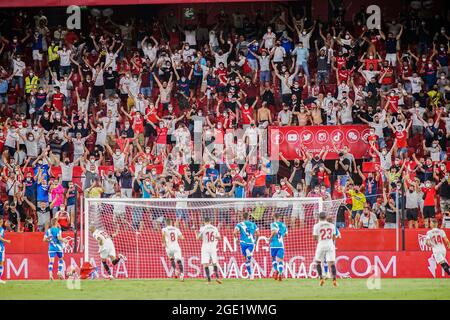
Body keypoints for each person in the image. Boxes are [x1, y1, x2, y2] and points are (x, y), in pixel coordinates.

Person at [313, 211, 337, 287]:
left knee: (318, 262)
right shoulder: (331, 225)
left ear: (319, 218)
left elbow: (314, 238)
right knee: (332, 263)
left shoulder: (316, 226)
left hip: (321, 244)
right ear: (326, 217)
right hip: (330, 244)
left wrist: (319, 238)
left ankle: (321, 278)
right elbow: (334, 237)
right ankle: (334, 280)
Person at [233, 212, 260, 280]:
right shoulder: (253, 224)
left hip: (243, 242)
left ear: (243, 217)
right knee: (248, 258)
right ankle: (249, 255)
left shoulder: (240, 224)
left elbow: (234, 232)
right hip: (251, 242)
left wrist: (236, 239)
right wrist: (256, 241)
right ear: (248, 217)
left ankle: (250, 275)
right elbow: (258, 234)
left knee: (245, 259)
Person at [196, 216, 222, 284]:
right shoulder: (214, 228)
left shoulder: (203, 228)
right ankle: (217, 277)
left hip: (205, 247)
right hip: (213, 247)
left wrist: (196, 233)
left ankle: (209, 280)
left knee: (206, 264)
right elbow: (219, 238)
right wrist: (214, 236)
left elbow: (198, 238)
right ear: (210, 221)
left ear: (204, 222)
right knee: (214, 262)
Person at [269, 213, 287, 281]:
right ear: (279, 217)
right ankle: (280, 272)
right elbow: (286, 235)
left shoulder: (273, 224)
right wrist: (281, 234)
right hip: (280, 245)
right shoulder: (284, 225)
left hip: (273, 244)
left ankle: (276, 270)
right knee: (280, 260)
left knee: (273, 258)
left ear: (274, 217)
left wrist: (269, 238)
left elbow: (273, 232)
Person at [0, 217, 11, 284]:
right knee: (1, 263)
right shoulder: (1, 229)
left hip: (1, 247)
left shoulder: (2, 229)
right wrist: (6, 241)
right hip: (0, 248)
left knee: (1, 263)